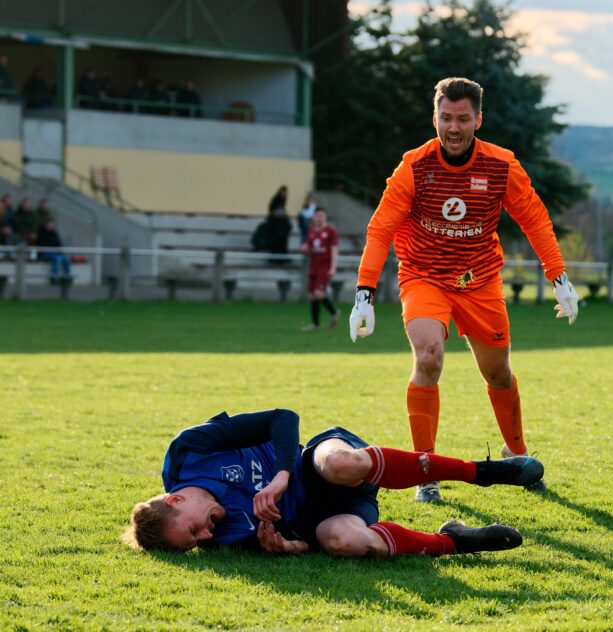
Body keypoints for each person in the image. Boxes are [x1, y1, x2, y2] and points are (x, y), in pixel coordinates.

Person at [348, 77, 579, 503]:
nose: (453, 128)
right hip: (424, 277)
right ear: (434, 117)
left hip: (480, 281)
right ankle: (425, 470)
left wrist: (558, 276)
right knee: (429, 357)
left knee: (498, 373)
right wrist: (364, 290)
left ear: (478, 120)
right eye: (446, 118)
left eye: (463, 119)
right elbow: (381, 228)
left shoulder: (501, 165)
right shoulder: (414, 166)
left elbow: (534, 219)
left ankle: (515, 451)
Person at [122, 408, 543, 556]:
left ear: (175, 499)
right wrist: (287, 548)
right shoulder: (227, 536)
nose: (207, 534)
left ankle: (481, 473)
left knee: (342, 463)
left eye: (195, 529)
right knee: (347, 542)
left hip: (313, 461)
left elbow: (281, 419)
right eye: (198, 542)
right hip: (321, 514)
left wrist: (283, 475)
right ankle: (455, 541)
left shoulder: (190, 452)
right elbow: (307, 544)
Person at [300, 207, 339, 331]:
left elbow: (334, 250)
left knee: (319, 294)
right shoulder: (311, 231)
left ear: (325, 217)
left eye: (321, 215)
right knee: (312, 296)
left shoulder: (331, 231)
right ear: (313, 217)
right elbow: (309, 248)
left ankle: (333, 313)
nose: (319, 217)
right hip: (313, 267)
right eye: (317, 215)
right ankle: (315, 324)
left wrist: (333, 267)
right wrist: (305, 248)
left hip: (324, 267)